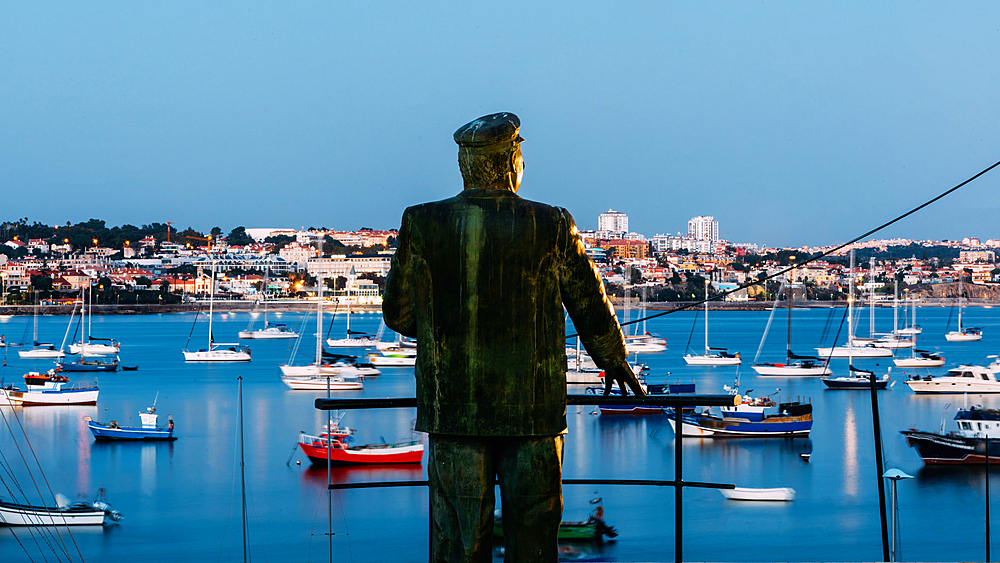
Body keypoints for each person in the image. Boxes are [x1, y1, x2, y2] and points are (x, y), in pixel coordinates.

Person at [383, 112, 644, 563]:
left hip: (454, 411)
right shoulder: (553, 224)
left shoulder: (422, 222)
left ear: (466, 165)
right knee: (534, 534)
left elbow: (398, 314)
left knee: (458, 539)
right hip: (533, 413)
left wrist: (452, 329)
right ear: (511, 162)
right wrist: (612, 358)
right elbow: (588, 305)